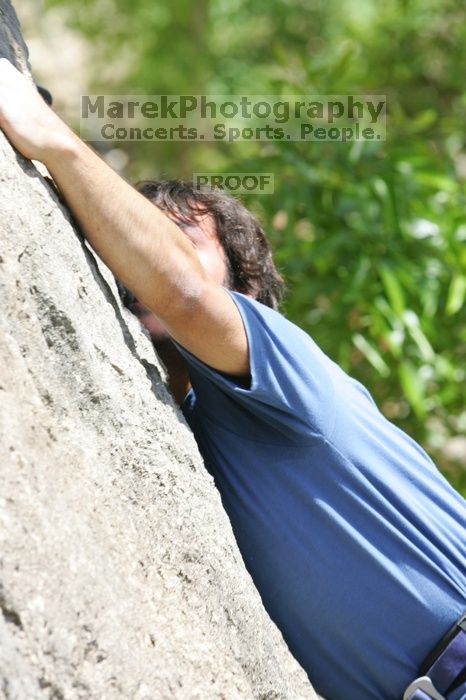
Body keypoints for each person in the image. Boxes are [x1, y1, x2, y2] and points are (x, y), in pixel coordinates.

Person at [0, 58, 465, 700]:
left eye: (179, 238)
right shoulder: (190, 425)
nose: (144, 261)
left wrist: (44, 132)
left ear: (244, 287)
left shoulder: (285, 367)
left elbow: (186, 294)